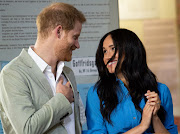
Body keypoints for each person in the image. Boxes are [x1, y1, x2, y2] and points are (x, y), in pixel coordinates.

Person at [0, 2, 86, 134]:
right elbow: (26, 130)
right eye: (75, 37)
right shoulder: (12, 73)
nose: (78, 45)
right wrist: (62, 100)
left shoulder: (68, 73)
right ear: (59, 31)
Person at [85, 28, 178, 134]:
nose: (107, 56)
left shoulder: (161, 91)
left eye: (113, 49)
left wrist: (155, 117)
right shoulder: (96, 94)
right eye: (104, 51)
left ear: (130, 50)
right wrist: (142, 126)